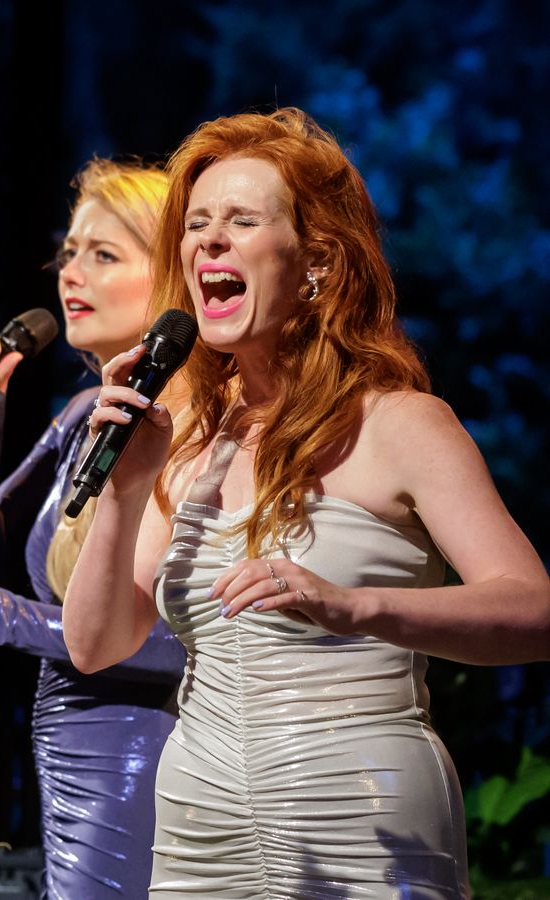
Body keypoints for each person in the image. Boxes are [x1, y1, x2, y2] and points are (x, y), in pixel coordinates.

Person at [61, 108, 550, 897]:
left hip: (361, 816)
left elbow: (534, 610)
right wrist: (123, 488)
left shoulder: (401, 423)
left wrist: (356, 605)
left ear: (316, 261)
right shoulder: (186, 437)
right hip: (199, 834)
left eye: (241, 221)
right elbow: (94, 644)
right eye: (196, 225)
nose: (208, 242)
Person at [0, 158, 187, 899]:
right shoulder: (83, 416)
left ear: (174, 280)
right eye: (68, 254)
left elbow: (180, 645)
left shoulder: (192, 430)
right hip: (71, 771)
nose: (70, 274)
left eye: (104, 255)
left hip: (143, 764)